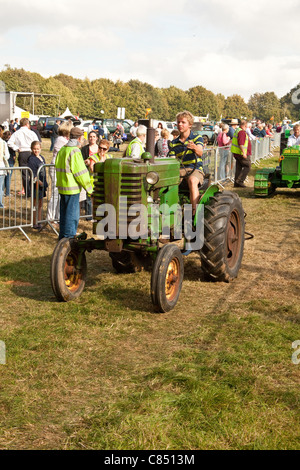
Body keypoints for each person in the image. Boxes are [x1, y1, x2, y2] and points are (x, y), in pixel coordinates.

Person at [55, 127, 93, 240]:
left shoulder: (63, 149)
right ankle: (68, 241)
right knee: (72, 217)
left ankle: (62, 239)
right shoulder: (75, 151)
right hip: (72, 189)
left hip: (63, 187)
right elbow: (81, 173)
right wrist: (90, 189)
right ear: (80, 138)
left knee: (64, 216)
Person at [169, 110, 204, 217]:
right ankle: (171, 211)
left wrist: (194, 148)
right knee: (167, 183)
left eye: (183, 122)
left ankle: (194, 212)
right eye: (178, 122)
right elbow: (172, 160)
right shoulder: (173, 143)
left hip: (195, 169)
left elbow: (200, 153)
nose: (180, 124)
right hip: (180, 171)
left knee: (192, 180)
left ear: (190, 125)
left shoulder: (197, 138)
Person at [47, 121, 73, 225]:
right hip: (55, 168)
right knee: (55, 194)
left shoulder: (61, 139)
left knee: (58, 193)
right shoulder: (61, 140)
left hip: (59, 168)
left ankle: (57, 216)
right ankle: (50, 216)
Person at [7, 117, 37, 195]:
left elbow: (9, 142)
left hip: (22, 152)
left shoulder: (16, 133)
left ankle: (27, 192)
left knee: (24, 174)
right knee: (33, 172)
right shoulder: (32, 133)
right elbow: (37, 142)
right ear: (27, 124)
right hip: (31, 152)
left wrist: (17, 148)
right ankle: (33, 190)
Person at [27, 141, 48, 229]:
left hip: (42, 184)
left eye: (38, 149)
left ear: (40, 149)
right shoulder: (31, 159)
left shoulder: (42, 157)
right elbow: (32, 173)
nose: (36, 151)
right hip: (35, 184)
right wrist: (38, 181)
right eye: (34, 149)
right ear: (32, 149)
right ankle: (34, 222)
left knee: (40, 204)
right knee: (35, 204)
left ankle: (39, 221)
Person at [80, 131, 99, 217]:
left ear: (97, 138)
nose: (92, 138)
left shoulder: (100, 148)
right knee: (88, 194)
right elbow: (81, 161)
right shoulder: (84, 149)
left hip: (97, 175)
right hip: (87, 174)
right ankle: (88, 215)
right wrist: (86, 162)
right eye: (90, 136)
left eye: (94, 136)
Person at [230, 119, 252, 188]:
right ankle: (240, 181)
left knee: (239, 168)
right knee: (247, 166)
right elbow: (241, 144)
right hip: (241, 153)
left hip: (237, 153)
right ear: (245, 126)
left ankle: (236, 183)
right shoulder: (242, 132)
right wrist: (244, 153)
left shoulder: (237, 131)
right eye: (247, 126)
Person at [2, 130, 16, 197]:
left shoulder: (3, 142)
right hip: (9, 162)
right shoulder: (10, 144)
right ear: (9, 136)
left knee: (4, 178)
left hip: (4, 162)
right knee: (8, 178)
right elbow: (13, 154)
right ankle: (7, 192)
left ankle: (3, 191)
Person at [0, 128, 10, 208]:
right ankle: (0, 203)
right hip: (1, 167)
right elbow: (7, 156)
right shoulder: (3, 143)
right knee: (0, 187)